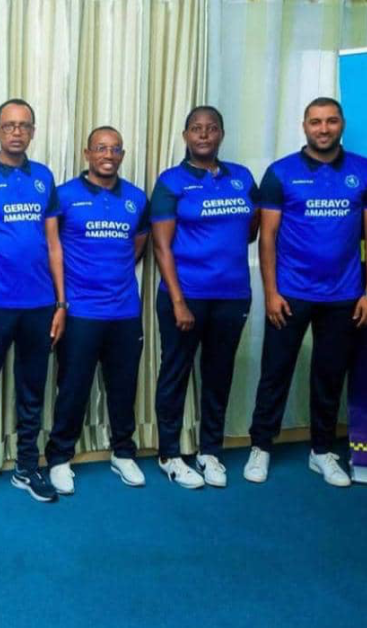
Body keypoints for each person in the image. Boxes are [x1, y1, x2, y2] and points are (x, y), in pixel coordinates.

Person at [245, 97, 367, 486]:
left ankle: (322, 451)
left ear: (341, 124)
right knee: (275, 372)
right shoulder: (281, 173)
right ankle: (261, 446)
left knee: (329, 376)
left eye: (331, 121)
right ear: (304, 126)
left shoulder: (364, 171)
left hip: (344, 295)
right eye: (316, 122)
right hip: (290, 293)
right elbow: (267, 238)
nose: (323, 128)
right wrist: (271, 292)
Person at [0, 98, 66, 505]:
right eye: (8, 125)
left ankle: (27, 466)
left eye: (24, 126)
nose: (16, 132)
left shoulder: (44, 178)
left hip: (39, 306)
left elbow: (53, 244)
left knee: (32, 391)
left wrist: (61, 304)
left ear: (33, 132)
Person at [151, 106, 259, 489]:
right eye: (196, 128)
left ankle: (210, 451)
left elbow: (251, 229)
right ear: (185, 136)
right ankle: (169, 454)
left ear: (221, 134)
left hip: (232, 295)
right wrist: (178, 301)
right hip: (186, 296)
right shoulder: (171, 181)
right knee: (175, 373)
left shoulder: (242, 178)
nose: (203, 134)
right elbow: (161, 247)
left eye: (211, 128)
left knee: (219, 374)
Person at [45, 126, 149, 495]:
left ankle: (123, 452)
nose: (108, 155)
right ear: (87, 154)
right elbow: (52, 247)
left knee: (123, 387)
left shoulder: (136, 198)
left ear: (122, 155)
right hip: (80, 311)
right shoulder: (65, 196)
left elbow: (138, 244)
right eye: (100, 148)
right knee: (73, 387)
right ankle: (59, 457)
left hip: (124, 310)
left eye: (115, 149)